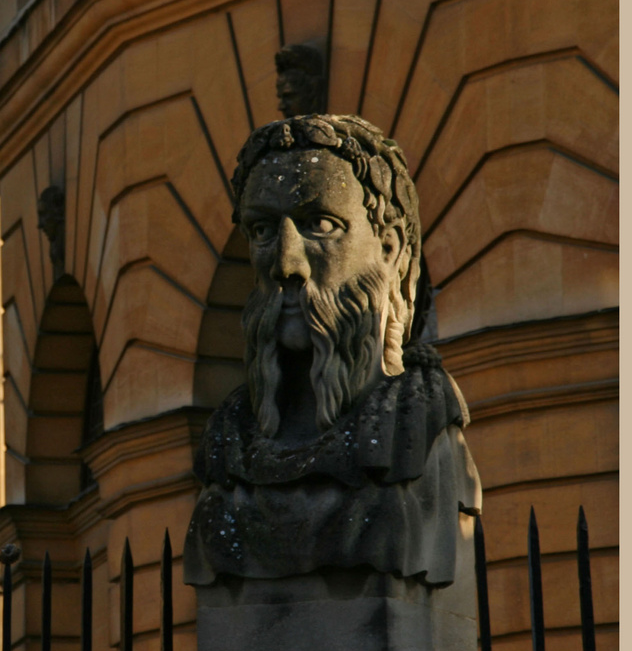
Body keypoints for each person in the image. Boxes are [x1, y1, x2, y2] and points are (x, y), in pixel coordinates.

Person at [183, 114, 481, 587]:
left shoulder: (421, 431)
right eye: (262, 231)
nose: (286, 264)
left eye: (320, 224)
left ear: (390, 250)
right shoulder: (227, 445)